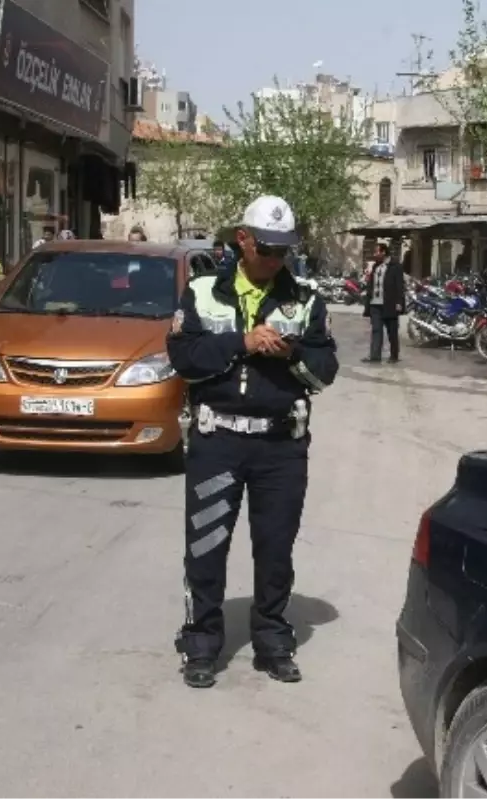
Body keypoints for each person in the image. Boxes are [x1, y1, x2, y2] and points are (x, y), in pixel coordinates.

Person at [165, 195, 339, 689]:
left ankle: (272, 641)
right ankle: (201, 643)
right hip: (217, 439)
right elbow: (183, 355)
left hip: (281, 446)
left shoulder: (305, 297)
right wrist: (242, 343)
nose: (275, 259)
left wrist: (288, 353)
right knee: (206, 546)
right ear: (242, 239)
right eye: (266, 248)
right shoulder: (202, 291)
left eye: (283, 250)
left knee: (275, 549)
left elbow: (324, 372)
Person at [361, 242, 404, 364]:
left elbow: (400, 286)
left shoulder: (395, 266)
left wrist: (399, 302)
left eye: (377, 252)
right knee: (376, 330)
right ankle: (375, 355)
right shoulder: (375, 267)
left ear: (383, 252)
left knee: (392, 331)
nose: (375, 254)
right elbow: (371, 284)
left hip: (389, 304)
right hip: (375, 303)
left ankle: (394, 355)